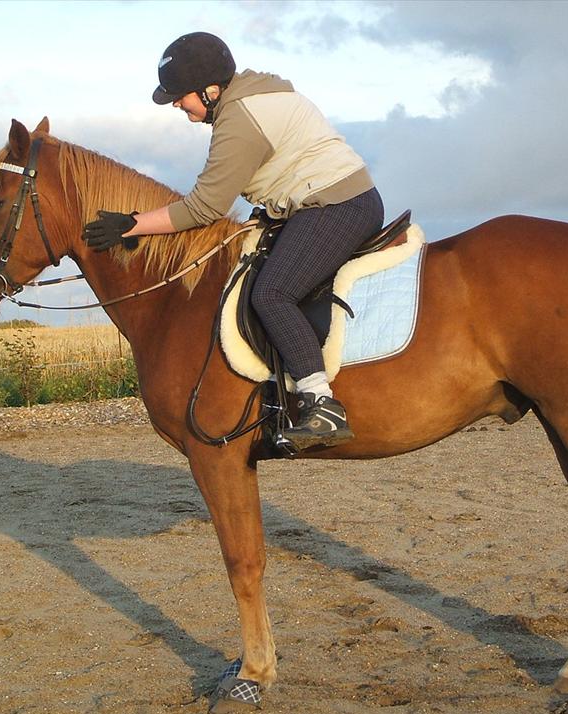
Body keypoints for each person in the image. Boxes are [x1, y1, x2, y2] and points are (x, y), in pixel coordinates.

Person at [83, 31, 384, 451]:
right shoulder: (253, 96)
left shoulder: (240, 119)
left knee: (273, 292)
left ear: (209, 89)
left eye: (179, 95)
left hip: (337, 205)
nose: (175, 103)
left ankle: (322, 404)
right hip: (323, 202)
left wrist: (132, 225)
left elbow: (204, 207)